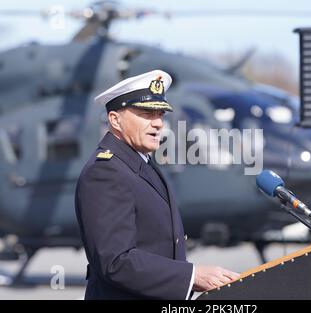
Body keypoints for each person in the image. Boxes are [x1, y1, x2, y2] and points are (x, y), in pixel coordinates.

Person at [75, 70, 240, 300]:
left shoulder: (139, 163)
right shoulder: (106, 171)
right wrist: (192, 276)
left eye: (160, 115)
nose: (158, 124)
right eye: (146, 114)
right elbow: (115, 261)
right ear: (115, 119)